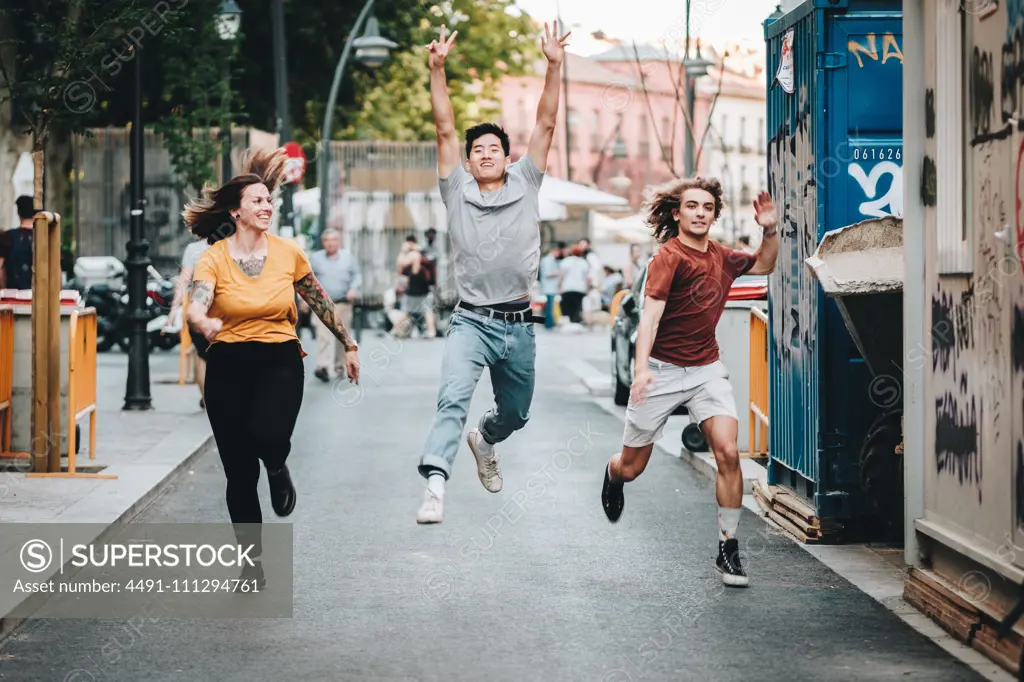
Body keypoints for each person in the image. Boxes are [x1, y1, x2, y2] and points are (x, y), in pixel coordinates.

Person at [184, 149, 361, 588]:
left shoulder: (289, 253)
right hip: (227, 363)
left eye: (269, 200)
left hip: (279, 359)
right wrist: (201, 318)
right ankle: (251, 564)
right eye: (258, 201)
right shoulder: (214, 258)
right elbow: (198, 301)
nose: (267, 207)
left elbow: (319, 299)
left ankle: (278, 466)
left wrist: (348, 343)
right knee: (239, 473)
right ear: (235, 211)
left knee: (268, 437)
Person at [416, 21, 569, 524]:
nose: (485, 154)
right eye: (477, 149)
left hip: (519, 323)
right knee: (450, 399)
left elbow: (545, 125)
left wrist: (553, 65)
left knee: (516, 414)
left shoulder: (527, 180)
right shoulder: (453, 188)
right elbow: (442, 126)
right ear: (467, 159)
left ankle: (485, 439)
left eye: (494, 149)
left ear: (508, 158)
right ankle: (435, 483)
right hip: (471, 320)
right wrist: (437, 71)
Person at [600, 178, 779, 588]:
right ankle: (612, 473)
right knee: (632, 467)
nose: (700, 212)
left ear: (715, 214)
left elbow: (765, 263)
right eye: (692, 206)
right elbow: (650, 318)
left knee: (729, 453)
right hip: (661, 372)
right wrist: (641, 368)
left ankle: (728, 549)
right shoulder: (668, 258)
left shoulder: (722, 256)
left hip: (705, 371)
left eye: (707, 207)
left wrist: (769, 230)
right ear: (677, 214)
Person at [309, 228, 362, 382]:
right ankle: (322, 367)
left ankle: (339, 367)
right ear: (322, 243)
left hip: (343, 303)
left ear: (339, 242)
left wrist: (353, 288)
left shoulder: (348, 258)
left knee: (342, 337)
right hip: (322, 304)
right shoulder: (316, 258)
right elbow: (307, 278)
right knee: (323, 335)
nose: (330, 243)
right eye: (326, 240)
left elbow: (357, 275)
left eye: (333, 240)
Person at [165, 237, 212, 408]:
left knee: (202, 356)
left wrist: (173, 309)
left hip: (198, 307)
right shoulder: (230, 244)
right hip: (224, 309)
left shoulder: (194, 249)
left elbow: (183, 280)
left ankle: (207, 400)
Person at [0, 195, 36, 290]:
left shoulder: (7, 237)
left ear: (18, 213)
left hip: (13, 297)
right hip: (41, 297)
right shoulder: (46, 238)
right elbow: (56, 270)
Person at [557, 244, 590, 324]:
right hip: (580, 288)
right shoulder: (584, 263)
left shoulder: (565, 261)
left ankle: (568, 323)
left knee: (567, 306)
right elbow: (587, 278)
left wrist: (559, 286)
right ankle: (576, 322)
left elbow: (561, 276)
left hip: (567, 288)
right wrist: (587, 289)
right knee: (577, 307)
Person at [538, 243, 562, 329]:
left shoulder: (549, 260)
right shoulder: (548, 260)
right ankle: (549, 324)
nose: (558, 254)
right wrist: (558, 273)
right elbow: (547, 274)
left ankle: (549, 323)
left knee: (549, 306)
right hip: (549, 287)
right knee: (549, 307)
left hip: (550, 287)